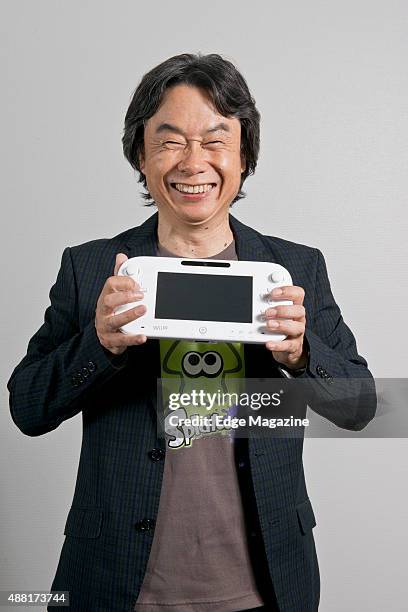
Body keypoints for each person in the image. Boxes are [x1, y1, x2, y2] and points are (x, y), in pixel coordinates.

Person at [7, 53, 376, 612]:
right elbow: (27, 408)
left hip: (266, 585)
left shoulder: (295, 268)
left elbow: (361, 405)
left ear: (245, 153)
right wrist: (99, 344)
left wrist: (302, 356)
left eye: (216, 139)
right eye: (170, 140)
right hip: (116, 585)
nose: (193, 162)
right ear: (141, 154)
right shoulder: (91, 269)